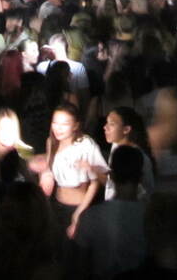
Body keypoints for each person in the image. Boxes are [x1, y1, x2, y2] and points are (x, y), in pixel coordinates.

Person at [72, 145, 148, 279]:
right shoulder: (151, 216)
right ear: (141, 177)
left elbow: (81, 264)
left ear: (111, 176)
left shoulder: (91, 216)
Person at [38, 102, 108, 238]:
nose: (58, 128)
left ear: (75, 125)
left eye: (64, 124)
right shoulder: (51, 142)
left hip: (79, 206)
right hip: (56, 205)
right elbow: (48, 170)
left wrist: (79, 213)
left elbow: (96, 182)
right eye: (55, 123)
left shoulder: (85, 144)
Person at [102, 106, 155, 201]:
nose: (105, 127)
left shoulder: (138, 157)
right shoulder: (115, 145)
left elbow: (144, 192)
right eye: (106, 123)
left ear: (126, 129)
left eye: (112, 124)